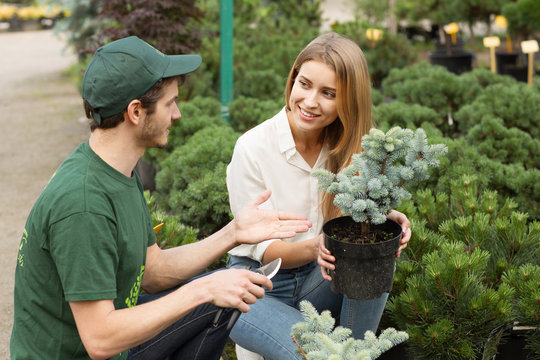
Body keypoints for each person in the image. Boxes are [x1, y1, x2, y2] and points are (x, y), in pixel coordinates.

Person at [10, 36, 313, 360]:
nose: (178, 114)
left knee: (219, 294)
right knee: (209, 292)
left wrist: (233, 233)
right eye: (170, 103)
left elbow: (152, 271)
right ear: (136, 112)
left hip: (112, 344)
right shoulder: (84, 205)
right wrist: (201, 290)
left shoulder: (115, 169)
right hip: (93, 349)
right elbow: (99, 339)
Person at [226, 32, 412, 359]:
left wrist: (381, 221)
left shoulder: (353, 147)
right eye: (304, 84)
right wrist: (315, 246)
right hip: (258, 289)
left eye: (329, 93)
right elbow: (266, 250)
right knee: (316, 354)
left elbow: (357, 215)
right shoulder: (253, 148)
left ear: (349, 101)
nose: (311, 102)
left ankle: (357, 352)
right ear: (293, 80)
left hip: (318, 283)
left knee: (374, 251)